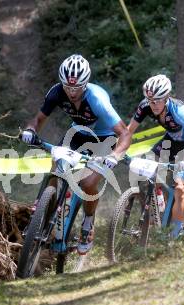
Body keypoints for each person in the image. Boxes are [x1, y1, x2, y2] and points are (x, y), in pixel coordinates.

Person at [21, 54, 131, 255]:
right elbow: (37, 120)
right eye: (67, 87)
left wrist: (114, 156)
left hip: (105, 139)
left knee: (87, 184)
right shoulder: (56, 92)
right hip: (78, 134)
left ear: (86, 84)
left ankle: (88, 224)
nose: (72, 92)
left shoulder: (96, 99)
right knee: (57, 162)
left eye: (77, 87)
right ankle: (49, 204)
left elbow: (124, 133)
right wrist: (30, 131)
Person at [127, 74, 184, 238]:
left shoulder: (179, 111)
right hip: (171, 140)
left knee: (179, 189)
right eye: (150, 100)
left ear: (166, 97)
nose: (153, 105)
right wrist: (117, 151)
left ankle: (176, 233)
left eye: (157, 100)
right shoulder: (146, 105)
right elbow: (128, 131)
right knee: (145, 170)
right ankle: (159, 208)